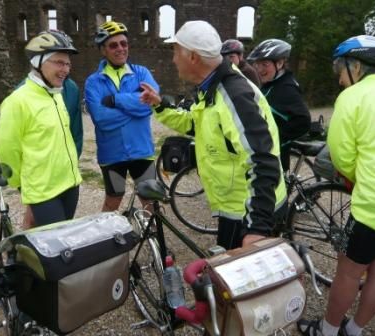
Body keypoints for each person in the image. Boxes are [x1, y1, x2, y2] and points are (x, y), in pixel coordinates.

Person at [140, 20, 287, 249]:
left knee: (233, 282)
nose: (172, 59)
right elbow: (196, 124)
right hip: (238, 206)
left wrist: (257, 227)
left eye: (175, 51)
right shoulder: (212, 86)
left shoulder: (233, 95)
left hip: (247, 213)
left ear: (193, 57)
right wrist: (160, 106)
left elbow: (263, 159)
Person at [297, 35, 375, 336]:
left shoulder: (354, 97)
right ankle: (355, 330)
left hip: (374, 204)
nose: (339, 80)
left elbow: (341, 156)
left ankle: (327, 330)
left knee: (348, 272)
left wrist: (356, 176)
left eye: (340, 70)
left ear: (357, 65)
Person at [0, 30, 82, 226]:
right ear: (38, 62)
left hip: (70, 184)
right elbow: (7, 150)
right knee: (56, 250)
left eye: (68, 63)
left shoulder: (56, 94)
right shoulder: (17, 101)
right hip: (43, 192)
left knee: (63, 238)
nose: (66, 69)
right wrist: (21, 184)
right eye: (59, 62)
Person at [84, 21, 159, 212]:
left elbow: (151, 103)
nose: (120, 49)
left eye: (124, 43)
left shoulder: (141, 72)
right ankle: (105, 240)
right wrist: (135, 108)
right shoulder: (93, 81)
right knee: (112, 200)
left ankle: (154, 241)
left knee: (150, 202)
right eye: (113, 45)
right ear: (103, 50)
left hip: (142, 150)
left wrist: (116, 100)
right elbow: (101, 118)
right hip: (112, 154)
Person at [247, 39, 311, 171]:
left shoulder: (286, 88)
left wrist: (275, 138)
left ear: (280, 63)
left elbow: (303, 121)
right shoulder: (272, 84)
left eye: (264, 64)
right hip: (266, 157)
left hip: (275, 162)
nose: (259, 69)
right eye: (257, 64)